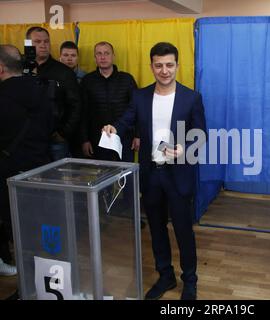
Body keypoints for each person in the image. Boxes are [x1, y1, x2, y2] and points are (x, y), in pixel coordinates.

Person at [103, 42, 206, 300]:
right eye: (158, 65)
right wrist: (114, 127)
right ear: (151, 66)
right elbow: (127, 119)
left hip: (178, 175)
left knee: (183, 229)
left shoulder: (191, 97)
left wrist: (185, 147)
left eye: (169, 65)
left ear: (177, 66)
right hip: (151, 175)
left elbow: (201, 134)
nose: (164, 70)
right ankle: (165, 275)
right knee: (157, 229)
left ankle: (190, 280)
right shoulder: (140, 96)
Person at [0, 45, 53, 276]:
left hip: (10, 171)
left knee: (17, 228)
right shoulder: (42, 87)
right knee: (40, 224)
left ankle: (28, 281)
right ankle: (44, 276)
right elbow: (52, 124)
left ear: (1, 68)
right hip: (41, 166)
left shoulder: (3, 95)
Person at [26, 26, 82, 160]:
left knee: (56, 179)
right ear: (28, 44)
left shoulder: (64, 72)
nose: (43, 45)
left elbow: (76, 105)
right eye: (37, 42)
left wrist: (63, 133)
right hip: (26, 139)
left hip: (55, 140)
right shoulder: (19, 68)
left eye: (46, 41)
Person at [80, 41, 138, 161]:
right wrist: (84, 140)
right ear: (95, 57)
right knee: (102, 177)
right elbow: (83, 112)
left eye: (107, 53)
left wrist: (138, 135)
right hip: (98, 141)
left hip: (124, 139)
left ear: (113, 56)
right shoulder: (87, 81)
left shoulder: (127, 79)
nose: (103, 57)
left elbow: (136, 109)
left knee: (126, 177)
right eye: (99, 54)